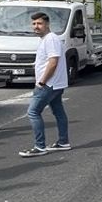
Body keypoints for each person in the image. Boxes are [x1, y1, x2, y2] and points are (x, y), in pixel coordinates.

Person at [19, 11, 71, 157]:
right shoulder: (46, 39)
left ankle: (40, 146)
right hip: (55, 84)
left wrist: (42, 81)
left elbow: (53, 62)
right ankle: (63, 142)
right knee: (58, 112)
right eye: (34, 24)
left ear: (47, 24)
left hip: (49, 84)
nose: (36, 26)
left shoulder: (50, 39)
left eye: (39, 23)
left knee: (33, 112)